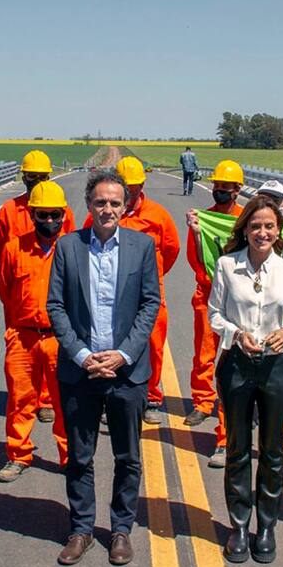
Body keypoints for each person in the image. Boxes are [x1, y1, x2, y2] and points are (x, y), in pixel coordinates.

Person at [46, 170, 161, 566]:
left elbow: (150, 305)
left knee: (127, 456)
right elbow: (56, 307)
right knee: (79, 456)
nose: (107, 208)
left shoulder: (142, 246)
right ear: (88, 205)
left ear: (125, 205)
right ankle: (80, 529)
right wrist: (81, 355)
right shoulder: (67, 247)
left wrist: (123, 355)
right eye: (100, 202)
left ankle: (120, 530)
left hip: (126, 373)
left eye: (115, 202)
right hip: (81, 371)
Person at [208, 195, 283, 564]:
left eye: (268, 226)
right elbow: (214, 313)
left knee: (272, 451)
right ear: (244, 230)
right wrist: (235, 334)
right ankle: (238, 524)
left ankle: (266, 526)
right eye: (255, 226)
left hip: (277, 367)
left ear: (278, 231)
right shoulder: (226, 265)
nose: (261, 232)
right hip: (237, 363)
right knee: (236, 448)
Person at [0, 181, 72, 483]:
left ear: (64, 214)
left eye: (55, 215)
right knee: (19, 400)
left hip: (60, 339)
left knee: (66, 401)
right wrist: (17, 329)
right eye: (43, 215)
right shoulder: (15, 249)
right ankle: (18, 455)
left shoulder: (72, 249)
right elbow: (5, 291)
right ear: (32, 215)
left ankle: (69, 456)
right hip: (23, 337)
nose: (50, 221)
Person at [0, 150, 75, 422]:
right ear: (24, 177)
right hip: (21, 292)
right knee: (21, 382)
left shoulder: (63, 213)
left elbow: (73, 248)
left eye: (42, 177)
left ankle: (46, 400)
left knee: (59, 379)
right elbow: (2, 265)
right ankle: (19, 449)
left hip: (54, 296)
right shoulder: (8, 211)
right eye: (32, 176)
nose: (36, 181)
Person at [110, 155, 181, 425]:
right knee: (113, 345)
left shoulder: (157, 214)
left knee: (153, 347)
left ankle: (151, 398)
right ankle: (115, 397)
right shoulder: (105, 211)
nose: (129, 191)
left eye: (134, 186)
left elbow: (171, 250)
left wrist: (154, 277)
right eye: (124, 186)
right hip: (113, 298)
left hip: (150, 297)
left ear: (142, 185)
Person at [184, 160, 245, 470]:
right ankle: (202, 403)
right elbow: (193, 258)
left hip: (238, 304)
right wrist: (196, 233)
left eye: (227, 187)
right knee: (204, 354)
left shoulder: (247, 221)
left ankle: (229, 420)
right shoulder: (205, 218)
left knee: (231, 364)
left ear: (237, 190)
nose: (221, 190)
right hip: (206, 296)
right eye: (218, 186)